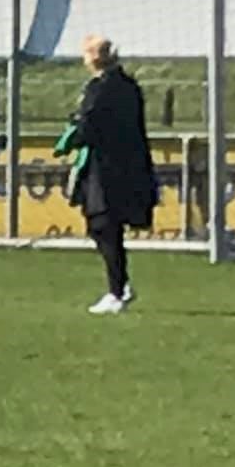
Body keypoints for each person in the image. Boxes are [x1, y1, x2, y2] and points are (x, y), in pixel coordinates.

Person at [54, 34, 158, 315]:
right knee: (107, 226)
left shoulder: (100, 89)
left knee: (104, 225)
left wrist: (73, 135)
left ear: (94, 57)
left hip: (106, 169)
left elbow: (89, 125)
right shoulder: (129, 86)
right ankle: (120, 284)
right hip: (130, 166)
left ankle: (117, 291)